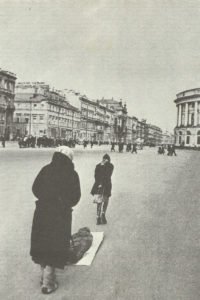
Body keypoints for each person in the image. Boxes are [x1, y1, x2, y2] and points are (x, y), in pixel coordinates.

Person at [30, 146, 81, 294]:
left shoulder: (46, 169)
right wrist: (63, 203)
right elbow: (75, 197)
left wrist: (45, 198)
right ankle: (48, 283)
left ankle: (44, 277)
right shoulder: (72, 174)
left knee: (42, 243)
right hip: (60, 215)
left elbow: (35, 188)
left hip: (42, 212)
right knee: (54, 245)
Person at [91, 154, 114, 225]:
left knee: (101, 201)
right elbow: (99, 175)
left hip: (101, 185)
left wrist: (102, 166)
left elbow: (105, 174)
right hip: (104, 185)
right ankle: (101, 215)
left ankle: (100, 216)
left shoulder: (107, 166)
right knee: (103, 200)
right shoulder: (108, 166)